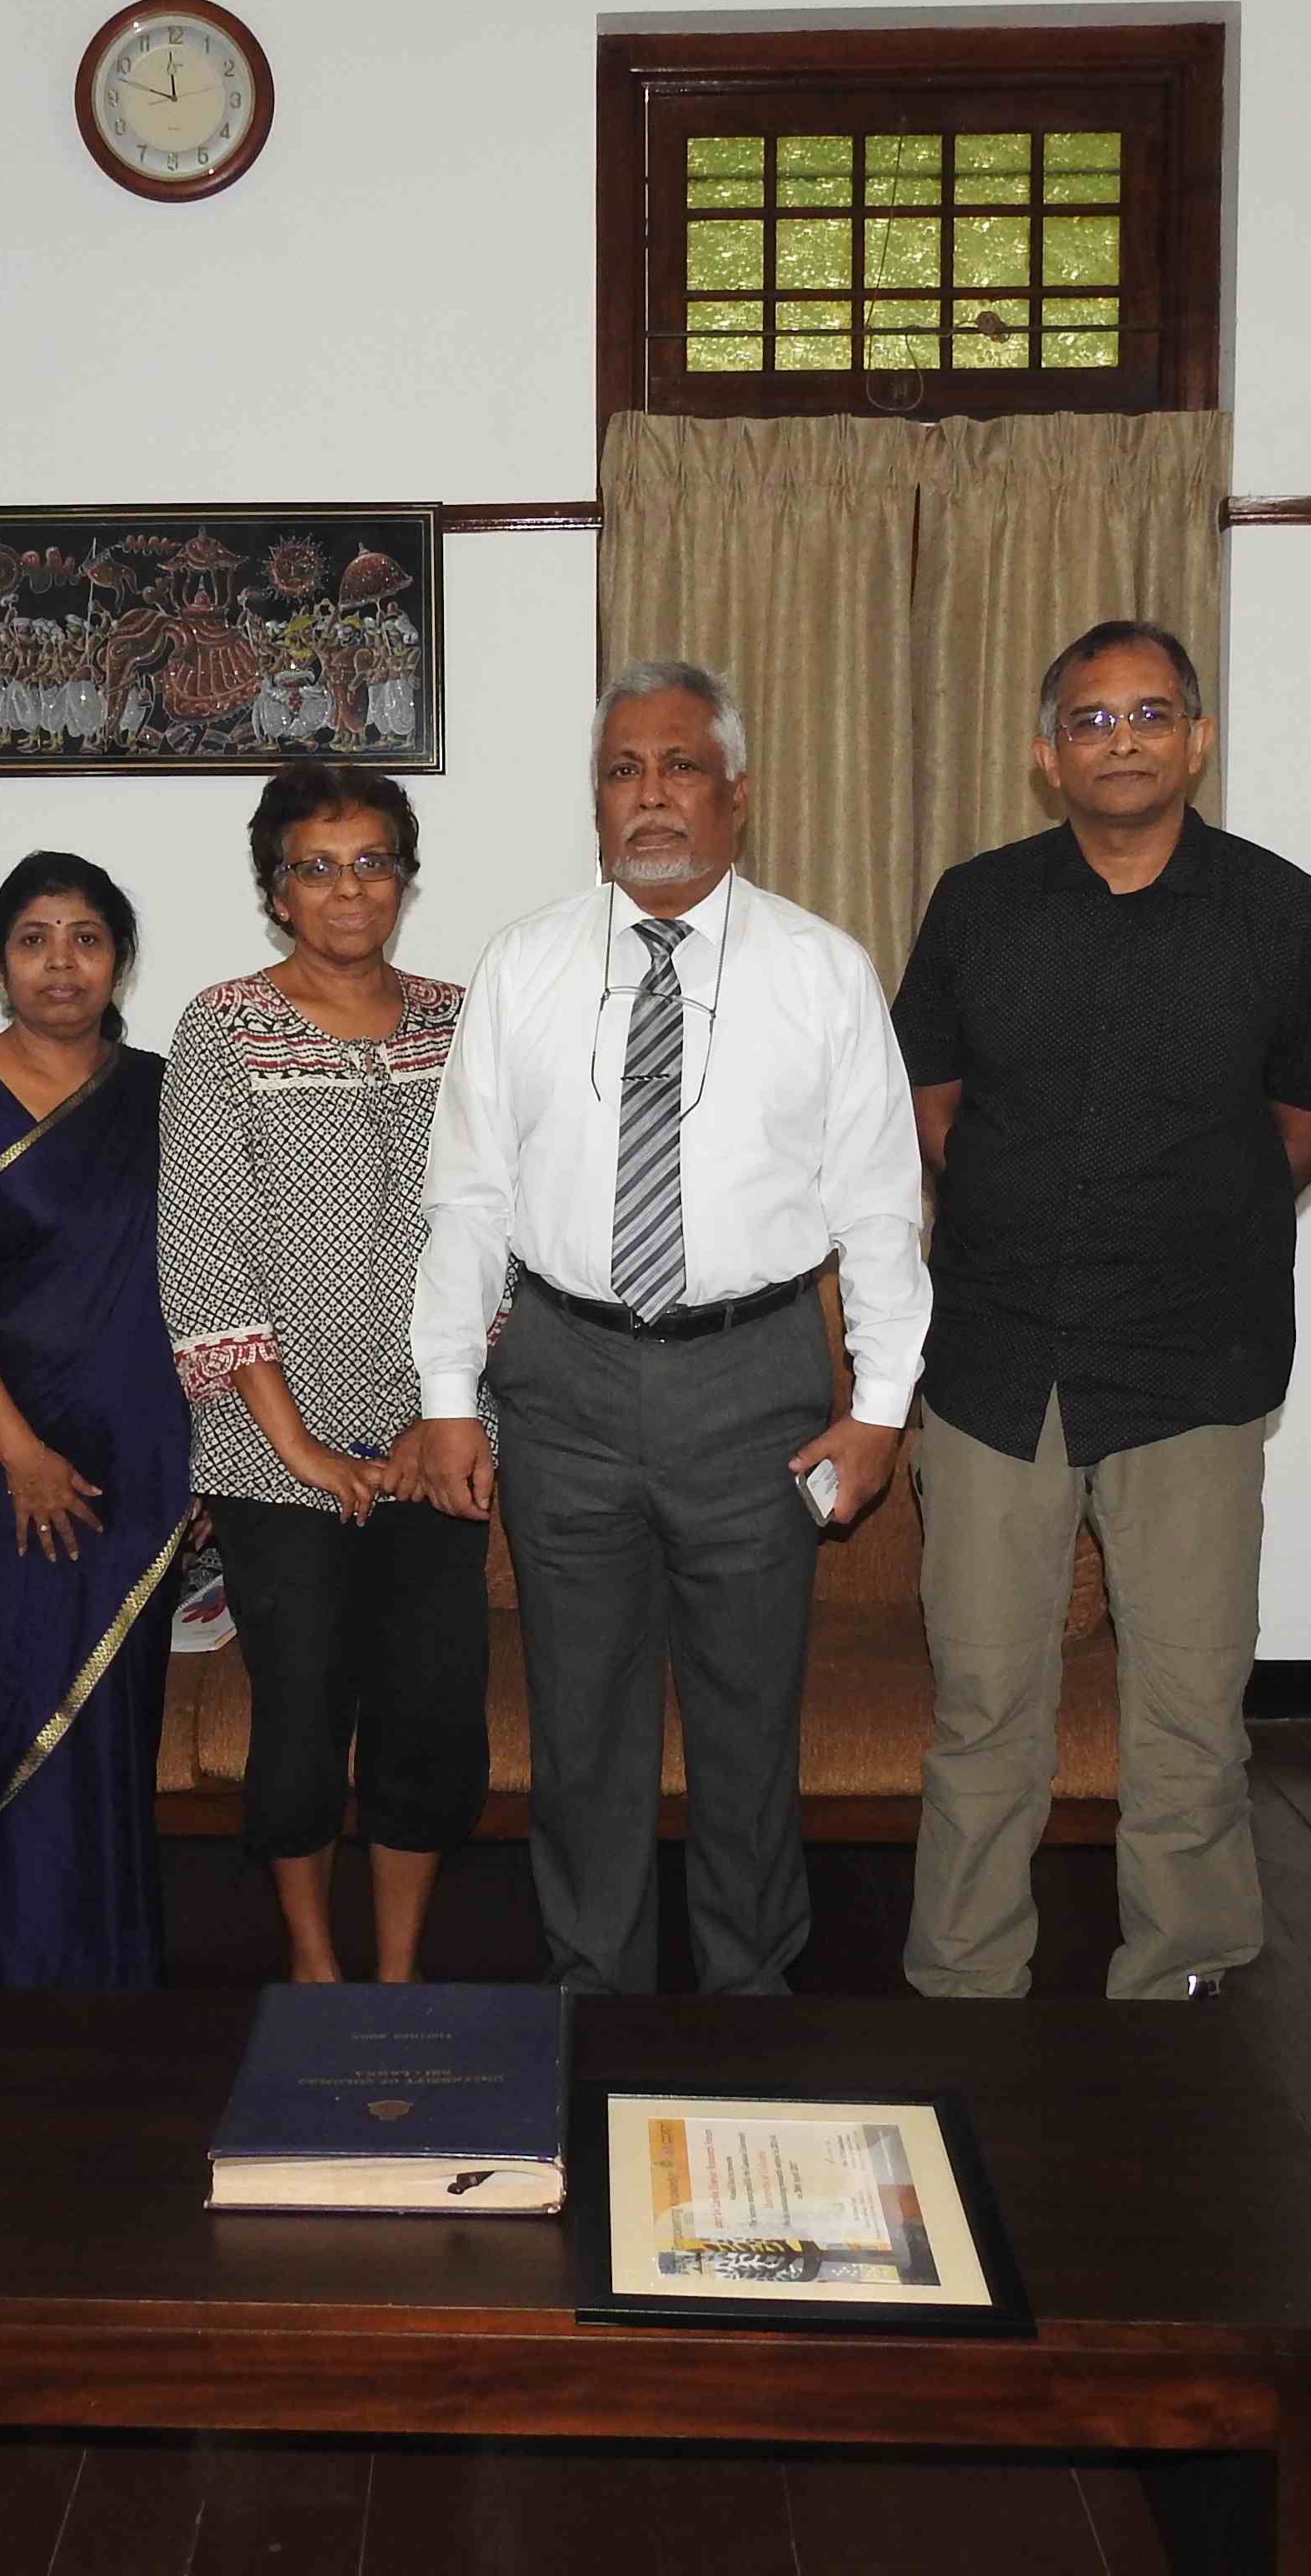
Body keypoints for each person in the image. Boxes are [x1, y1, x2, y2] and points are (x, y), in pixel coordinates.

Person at [408, 657, 926, 1997]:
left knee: (750, 1722)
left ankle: (752, 1996)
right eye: (623, 771)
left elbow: (879, 1209)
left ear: (736, 794)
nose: (651, 797)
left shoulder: (821, 969)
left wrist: (879, 1409)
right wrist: (452, 1389)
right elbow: (467, 1192)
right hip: (565, 1380)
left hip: (755, 1380)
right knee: (581, 1726)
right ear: (596, 800)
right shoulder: (522, 965)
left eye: (680, 766)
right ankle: (597, 1991)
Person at [892, 621, 1311, 2004]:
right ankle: (968, 1980)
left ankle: (1185, 1982)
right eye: (1091, 721)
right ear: (1048, 756)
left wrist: (1190, 1213)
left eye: (1152, 714)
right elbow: (931, 1105)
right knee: (984, 1708)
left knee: (1190, 1710)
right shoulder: (977, 903)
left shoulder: (1282, 906)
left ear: (1199, 741)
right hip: (996, 1362)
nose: (1123, 740)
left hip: (1193, 1366)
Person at [159, 766, 488, 1983]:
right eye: (316, 865)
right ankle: (313, 1962)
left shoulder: (467, 1020)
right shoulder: (222, 1022)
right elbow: (202, 1241)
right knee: (299, 1725)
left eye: (371, 861)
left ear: (402, 876)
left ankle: (397, 1969)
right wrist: (300, 1447)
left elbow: (499, 1229)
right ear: (275, 890)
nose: (349, 888)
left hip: (439, 1443)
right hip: (270, 1452)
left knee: (432, 1719)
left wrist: (431, 1423)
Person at [0, 852, 193, 1985]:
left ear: (119, 959)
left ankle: (108, 1973)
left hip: (138, 1465)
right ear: (1, 961)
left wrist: (207, 1451)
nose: (60, 962)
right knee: (3, 1698)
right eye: (33, 938)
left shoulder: (164, 1094)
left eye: (85, 937)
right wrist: (18, 1452)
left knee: (110, 1726)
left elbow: (211, 1281)